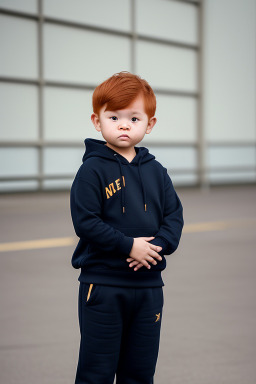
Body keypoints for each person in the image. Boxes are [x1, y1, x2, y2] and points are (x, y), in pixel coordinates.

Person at [70, 71, 184, 384]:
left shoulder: (157, 172)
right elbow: (86, 221)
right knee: (97, 372)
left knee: (140, 372)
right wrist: (128, 246)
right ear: (97, 121)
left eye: (134, 118)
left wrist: (155, 247)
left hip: (149, 288)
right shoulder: (91, 170)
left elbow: (174, 215)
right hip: (104, 286)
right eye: (114, 116)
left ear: (150, 124)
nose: (123, 125)